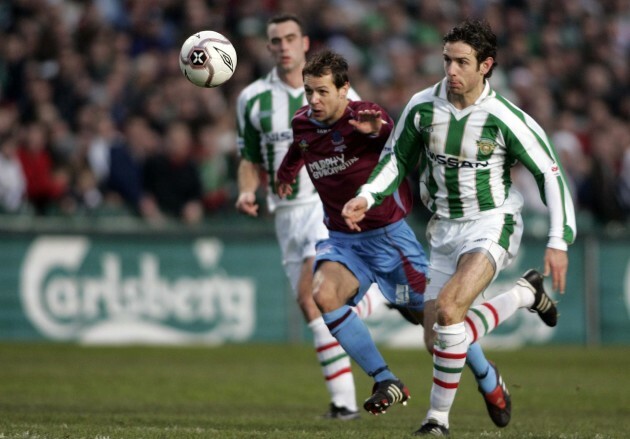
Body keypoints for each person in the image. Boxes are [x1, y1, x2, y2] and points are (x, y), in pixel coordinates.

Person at [276, 49, 556, 425]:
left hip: (391, 241)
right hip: (343, 240)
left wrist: (376, 129)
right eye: (309, 91)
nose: (313, 100)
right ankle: (386, 380)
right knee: (323, 294)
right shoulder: (303, 122)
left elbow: (392, 138)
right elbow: (300, 147)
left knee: (438, 333)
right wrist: (286, 172)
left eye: (323, 91)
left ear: (345, 90)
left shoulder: (365, 117)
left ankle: (491, 369)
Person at [342, 19, 576, 436]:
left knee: (451, 311)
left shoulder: (506, 117)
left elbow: (549, 175)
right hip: (444, 230)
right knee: (438, 341)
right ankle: (525, 294)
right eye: (447, 60)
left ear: (486, 66)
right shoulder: (422, 107)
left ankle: (437, 421)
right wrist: (367, 195)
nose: (451, 70)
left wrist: (559, 240)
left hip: (492, 222)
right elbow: (395, 161)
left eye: (462, 62)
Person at [234, 14, 384, 420]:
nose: (283, 45)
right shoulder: (252, 99)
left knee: (310, 295)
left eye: (290, 38)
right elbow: (248, 157)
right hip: (284, 213)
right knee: (311, 307)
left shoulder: (330, 92)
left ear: (305, 43)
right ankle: (346, 401)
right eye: (275, 40)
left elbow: (369, 143)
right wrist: (247, 189)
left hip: (325, 205)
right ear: (269, 48)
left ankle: (344, 400)